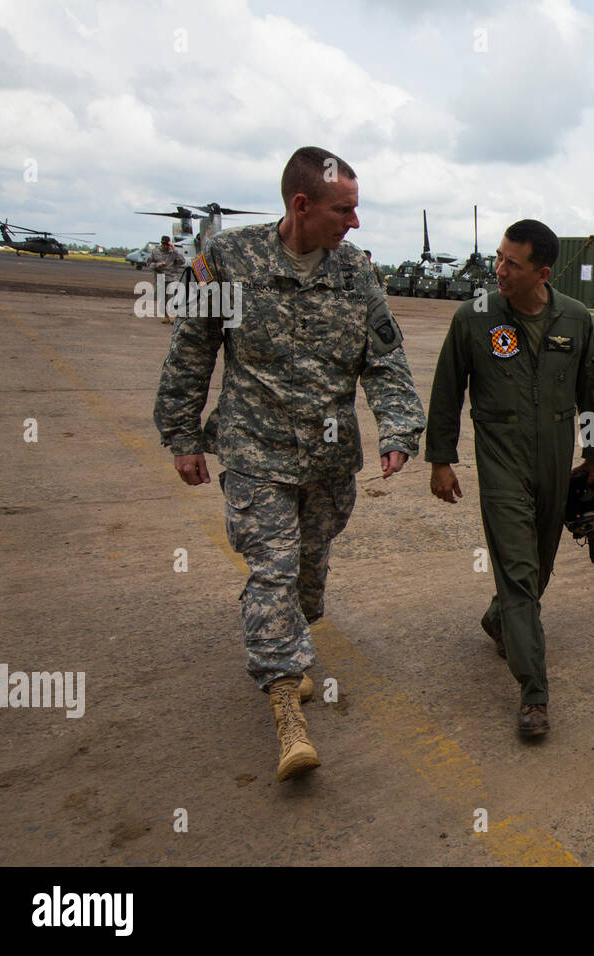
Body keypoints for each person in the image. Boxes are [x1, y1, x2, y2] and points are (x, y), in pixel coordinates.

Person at [153, 146, 426, 780]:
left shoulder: (357, 273)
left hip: (330, 461)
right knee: (272, 572)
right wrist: (181, 434)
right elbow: (191, 352)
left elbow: (385, 360)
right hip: (256, 450)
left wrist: (399, 430)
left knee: (307, 575)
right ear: (301, 206)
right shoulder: (226, 261)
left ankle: (290, 647)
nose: (354, 223)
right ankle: (286, 709)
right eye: (344, 210)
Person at [424, 219, 594, 738]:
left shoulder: (575, 317)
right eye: (499, 258)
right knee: (521, 572)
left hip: (554, 456)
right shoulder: (473, 317)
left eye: (512, 263)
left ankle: (499, 618)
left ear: (542, 272)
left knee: (540, 566)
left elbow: (591, 388)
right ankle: (534, 693)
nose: (498, 269)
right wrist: (441, 458)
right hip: (500, 460)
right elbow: (446, 390)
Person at [146, 235, 187, 323]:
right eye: (164, 244)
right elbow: (149, 264)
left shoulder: (173, 252)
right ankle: (165, 316)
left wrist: (175, 250)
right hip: (160, 277)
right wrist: (157, 265)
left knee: (171, 297)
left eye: (167, 244)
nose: (165, 246)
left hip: (172, 277)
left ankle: (172, 316)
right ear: (161, 243)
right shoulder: (155, 251)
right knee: (162, 297)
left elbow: (182, 262)